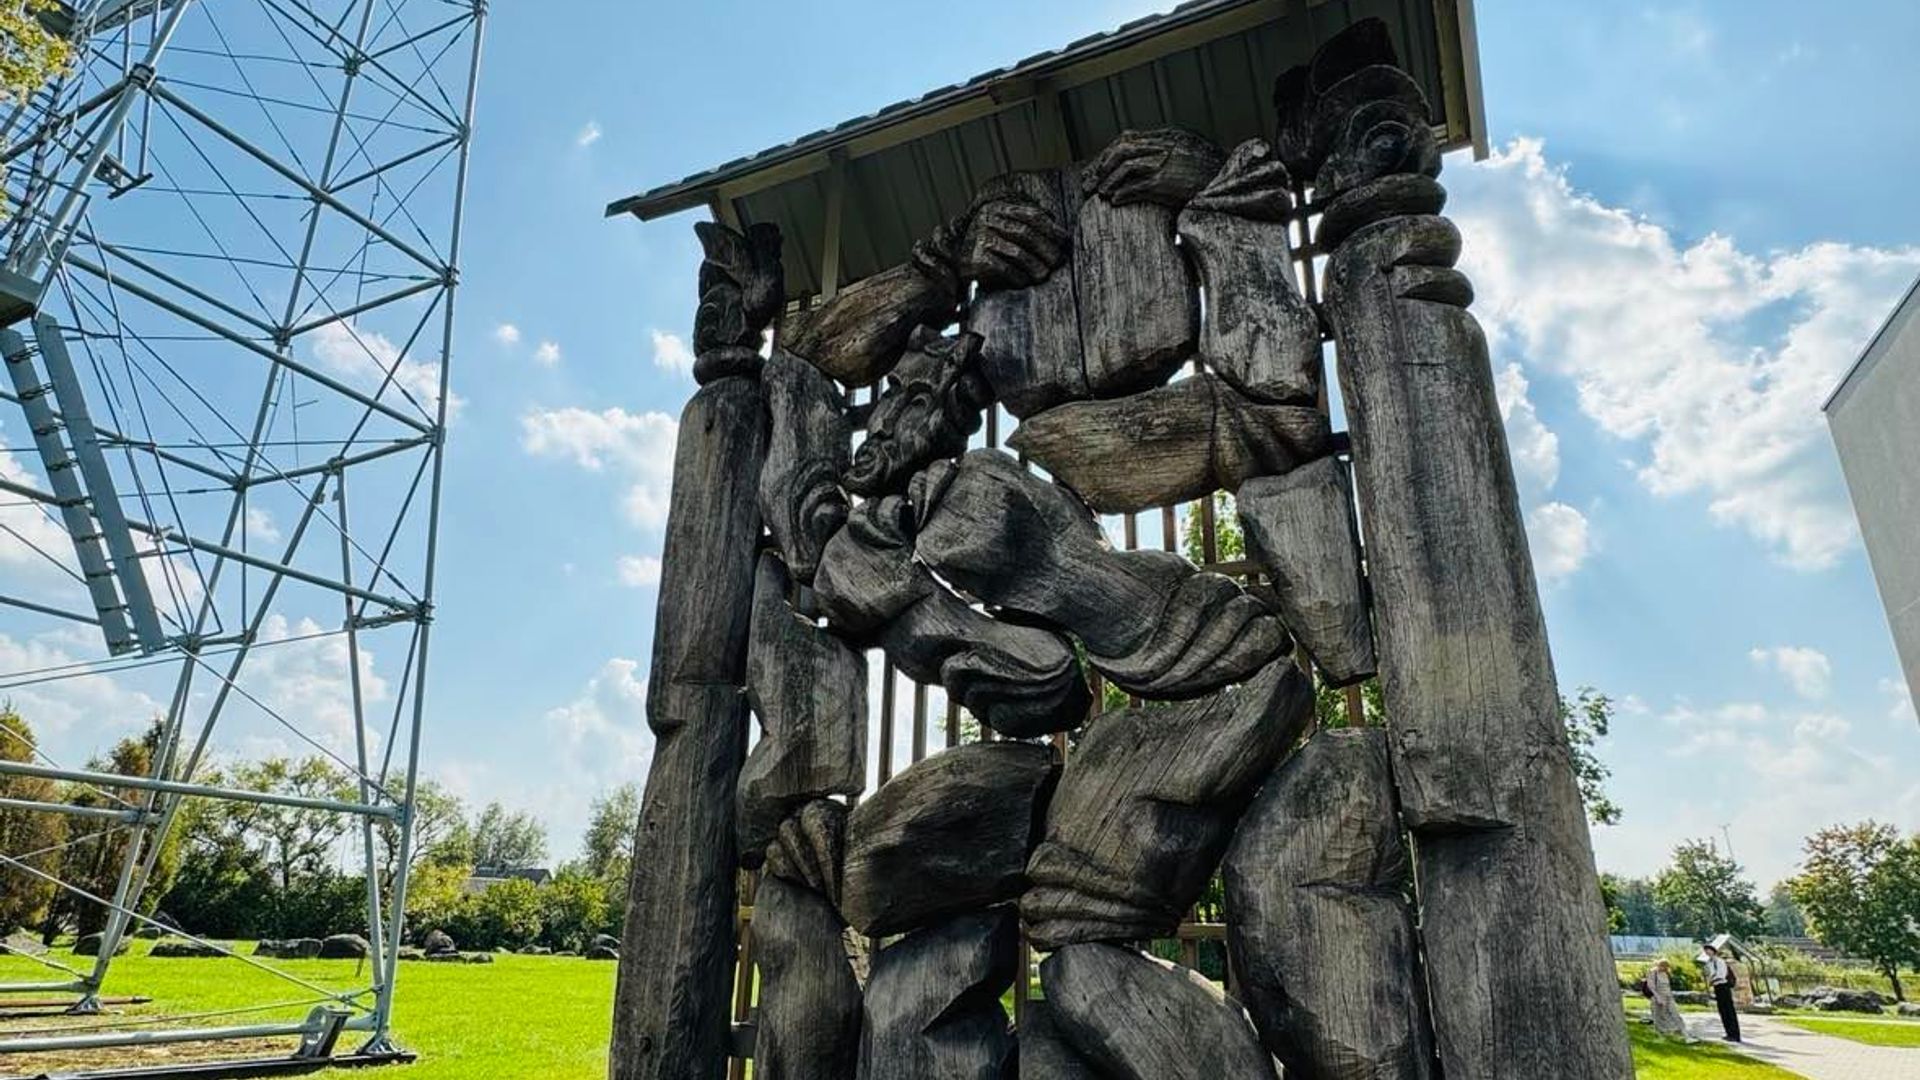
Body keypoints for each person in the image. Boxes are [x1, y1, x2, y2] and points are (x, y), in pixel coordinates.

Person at [1648, 959, 1694, 1042]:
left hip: (1668, 997)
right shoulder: (1653, 972)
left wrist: (1670, 997)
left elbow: (1668, 986)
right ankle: (1661, 1036)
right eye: (1662, 966)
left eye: (1665, 967)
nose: (1663, 968)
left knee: (1675, 1013)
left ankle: (1684, 1033)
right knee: (1658, 1016)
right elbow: (1651, 987)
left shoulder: (1666, 973)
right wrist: (1658, 997)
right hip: (1658, 997)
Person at [1704, 944, 1741, 1042]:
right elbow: (1710, 974)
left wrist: (1713, 979)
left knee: (1729, 1009)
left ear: (1713, 951)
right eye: (1706, 951)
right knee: (1722, 1010)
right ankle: (1728, 1032)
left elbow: (1721, 974)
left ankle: (1735, 1034)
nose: (1707, 952)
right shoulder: (1709, 963)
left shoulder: (1719, 961)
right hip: (1717, 986)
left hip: (1723, 985)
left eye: (1708, 950)